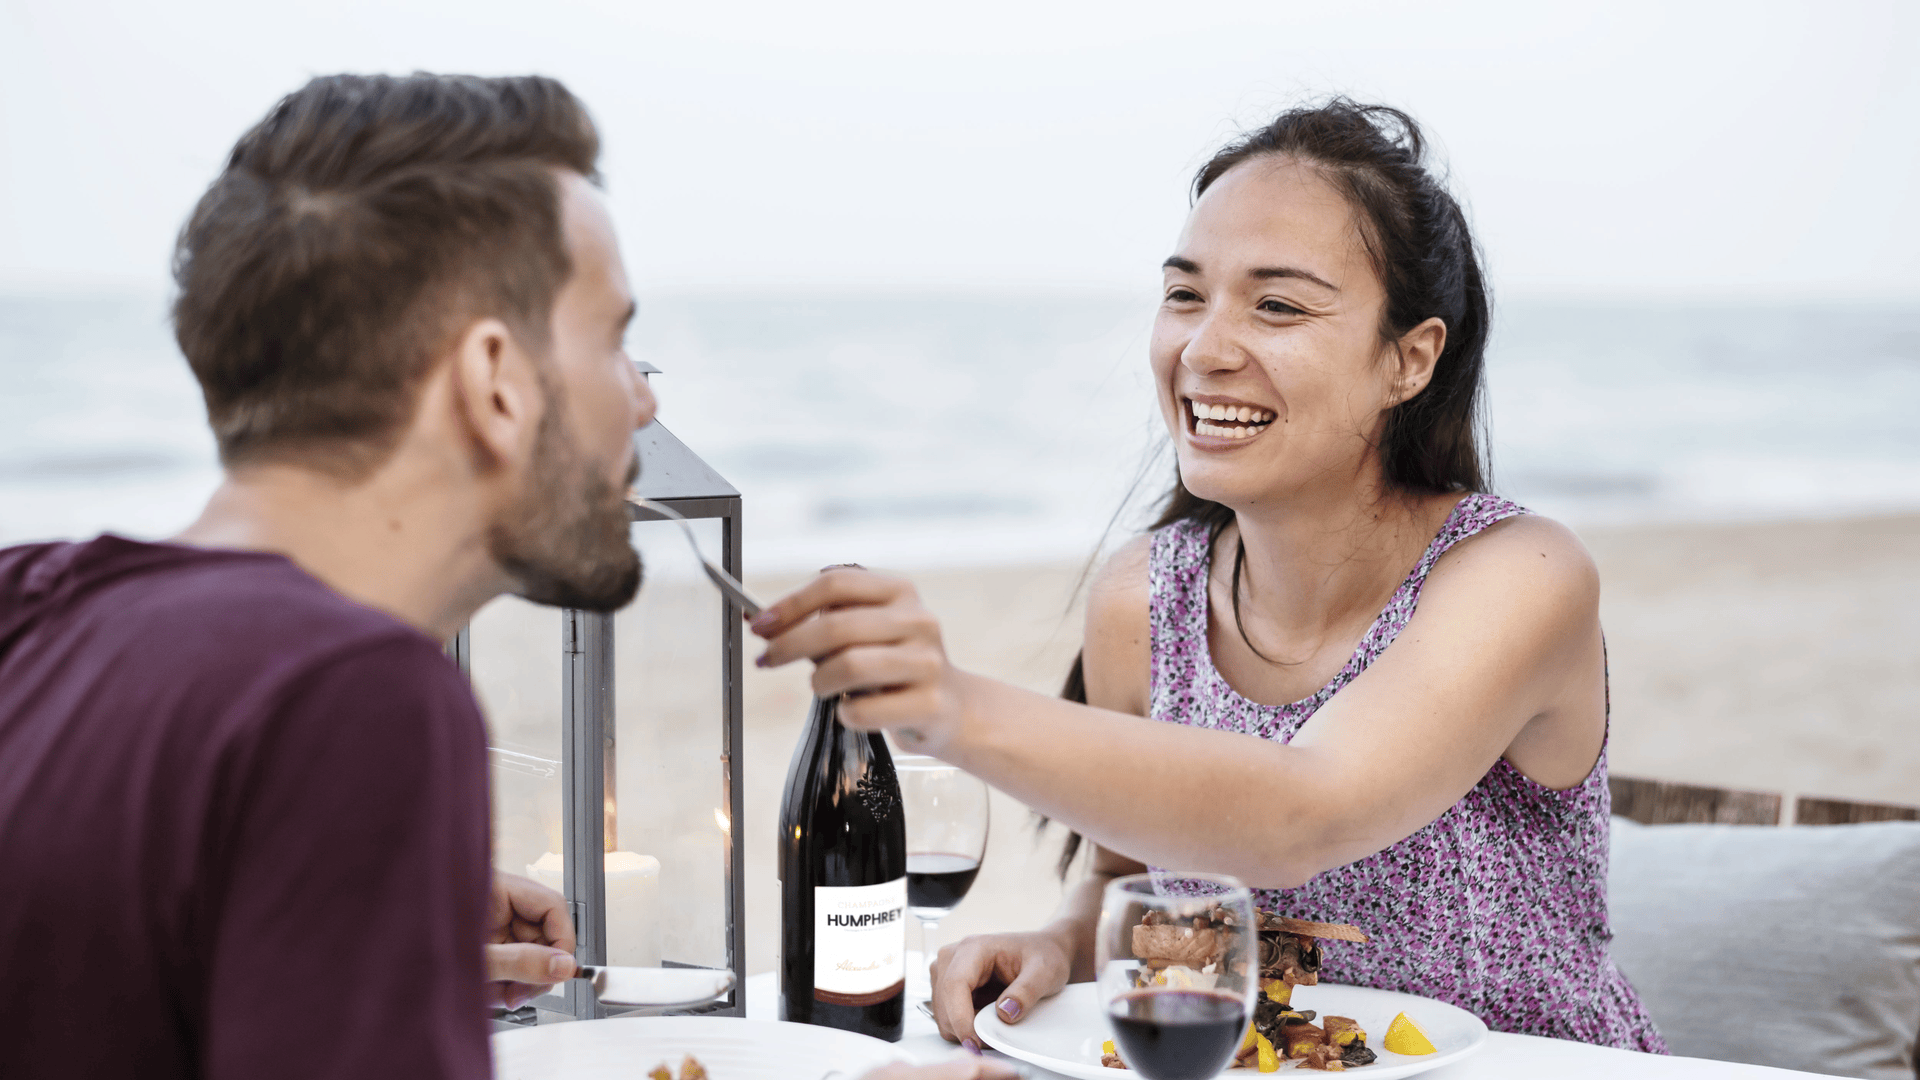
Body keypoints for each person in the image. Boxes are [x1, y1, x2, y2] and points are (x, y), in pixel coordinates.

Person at [0, 73, 1011, 1080]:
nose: (643, 407)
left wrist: (375, 940)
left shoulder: (29, 601)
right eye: (615, 343)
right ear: (494, 380)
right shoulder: (358, 700)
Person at [753, 100, 1667, 1054]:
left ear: (1410, 358)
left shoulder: (1520, 575)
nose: (1204, 349)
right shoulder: (1143, 600)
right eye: (1186, 295)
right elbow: (1123, 877)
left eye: (1277, 305)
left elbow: (1304, 810)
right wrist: (1062, 942)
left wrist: (951, 708)